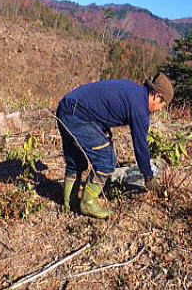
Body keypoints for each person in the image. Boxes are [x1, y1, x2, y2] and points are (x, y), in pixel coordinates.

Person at [56, 72, 174, 219]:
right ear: (156, 96)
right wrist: (148, 176)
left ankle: (69, 203)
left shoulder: (134, 91)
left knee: (76, 160)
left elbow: (103, 108)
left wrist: (104, 132)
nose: (160, 109)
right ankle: (88, 202)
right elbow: (140, 146)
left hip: (65, 108)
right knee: (106, 161)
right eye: (162, 105)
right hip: (77, 117)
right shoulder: (140, 109)